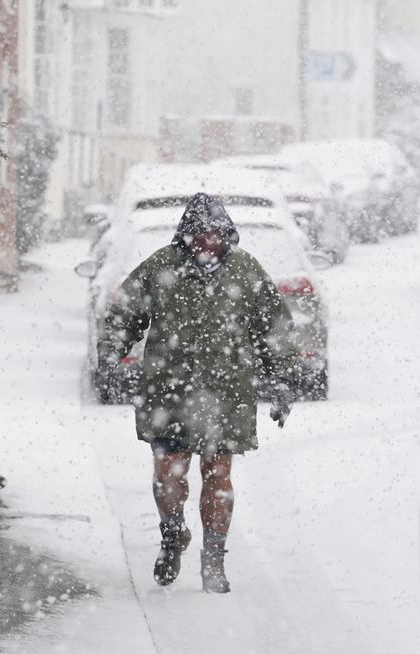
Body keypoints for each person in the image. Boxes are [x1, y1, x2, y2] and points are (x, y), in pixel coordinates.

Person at [103, 192, 297, 593]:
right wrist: (111, 349)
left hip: (227, 393)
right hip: (169, 392)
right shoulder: (162, 266)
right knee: (168, 472)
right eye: (198, 234)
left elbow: (274, 327)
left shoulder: (245, 271)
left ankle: (214, 558)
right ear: (185, 236)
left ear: (226, 234)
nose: (206, 241)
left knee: (217, 473)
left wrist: (281, 381)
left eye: (214, 233)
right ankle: (172, 535)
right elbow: (125, 310)